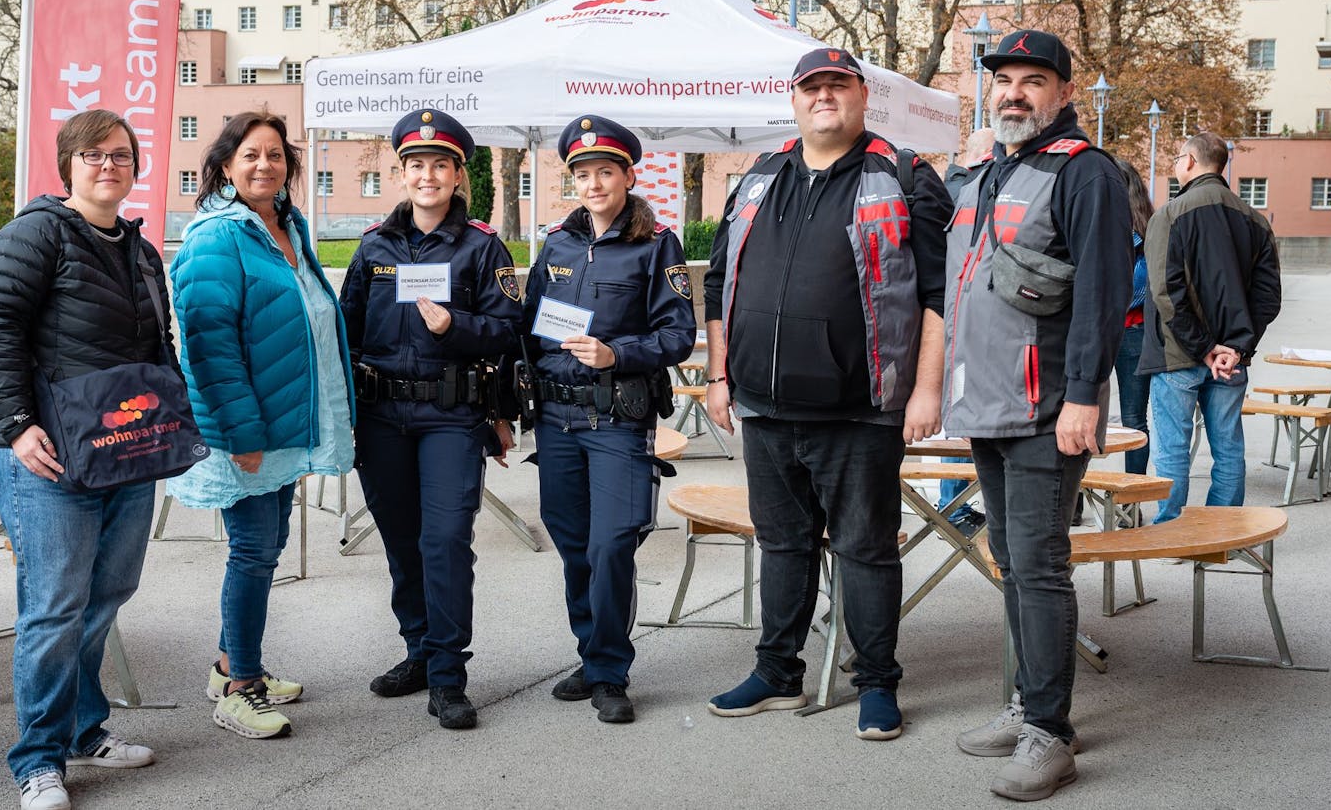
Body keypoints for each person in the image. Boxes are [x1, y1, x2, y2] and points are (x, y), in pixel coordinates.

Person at [701, 48, 952, 738]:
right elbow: (719, 283)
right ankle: (778, 670)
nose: (824, 97)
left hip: (861, 406)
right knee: (783, 543)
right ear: (794, 99)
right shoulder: (759, 176)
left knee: (865, 547)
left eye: (837, 85)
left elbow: (939, 293)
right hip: (763, 402)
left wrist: (926, 389)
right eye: (812, 87)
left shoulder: (903, 177)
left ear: (861, 96)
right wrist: (720, 376)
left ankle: (876, 681)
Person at [942, 30, 1131, 801]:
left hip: (1047, 405)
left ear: (1063, 92)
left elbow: (1102, 292)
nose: (1013, 93)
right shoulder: (993, 169)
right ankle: (1028, 704)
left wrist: (1083, 395)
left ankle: (1050, 733)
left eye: (1032, 81)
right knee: (1013, 562)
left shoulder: (1087, 173)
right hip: (989, 402)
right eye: (1005, 80)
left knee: (1040, 565)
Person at [0, 110, 175, 810]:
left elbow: (159, 345)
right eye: (93, 154)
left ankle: (84, 728)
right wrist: (17, 424)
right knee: (54, 608)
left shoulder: (140, 249)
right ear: (67, 164)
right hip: (50, 458)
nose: (108, 165)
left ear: (135, 165)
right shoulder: (36, 233)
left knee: (106, 594)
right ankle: (37, 758)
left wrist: (172, 420)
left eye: (120, 154)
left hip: (125, 451)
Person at [168, 111, 355, 739]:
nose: (263, 165)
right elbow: (208, 345)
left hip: (280, 421)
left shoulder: (285, 227)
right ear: (225, 165)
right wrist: (240, 435)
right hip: (245, 429)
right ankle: (240, 686)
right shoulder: (216, 237)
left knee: (266, 548)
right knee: (252, 552)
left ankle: (232, 665)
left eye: (275, 155)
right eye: (250, 155)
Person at [338, 109, 523, 730]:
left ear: (457, 174)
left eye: (439, 164)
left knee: (444, 542)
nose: (427, 175)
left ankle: (448, 675)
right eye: (415, 164)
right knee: (400, 540)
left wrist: (458, 325)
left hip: (450, 415)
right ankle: (418, 649)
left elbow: (509, 330)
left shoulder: (481, 245)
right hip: (382, 417)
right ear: (401, 174)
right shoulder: (373, 246)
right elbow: (348, 334)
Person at [524, 115, 696, 724]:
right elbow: (533, 326)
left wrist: (618, 352)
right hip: (558, 421)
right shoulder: (558, 245)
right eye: (583, 174)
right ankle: (591, 653)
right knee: (574, 545)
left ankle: (610, 672)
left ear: (628, 175)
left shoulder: (656, 245)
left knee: (612, 543)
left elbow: (679, 333)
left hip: (618, 422)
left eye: (605, 172)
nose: (594, 184)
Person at [1139, 131, 1281, 526]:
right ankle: (1222, 531)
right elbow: (1268, 298)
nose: (1173, 165)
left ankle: (1171, 530)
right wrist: (1234, 347)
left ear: (1189, 161)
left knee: (1172, 448)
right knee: (1229, 446)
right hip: (1230, 360)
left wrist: (1204, 348)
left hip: (1178, 354)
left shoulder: (1169, 215)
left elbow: (1166, 293)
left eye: (1175, 158)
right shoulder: (1255, 221)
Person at [937, 126, 997, 536]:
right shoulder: (972, 191)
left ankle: (953, 502)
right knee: (964, 415)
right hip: (966, 322)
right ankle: (952, 505)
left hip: (951, 320)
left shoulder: (949, 187)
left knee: (961, 412)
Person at [1113, 157, 1155, 479]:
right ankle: (1130, 503)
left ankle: (1074, 502)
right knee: (1134, 419)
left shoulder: (1115, 229)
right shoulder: (1150, 230)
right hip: (1134, 332)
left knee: (1129, 419)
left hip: (1116, 331)